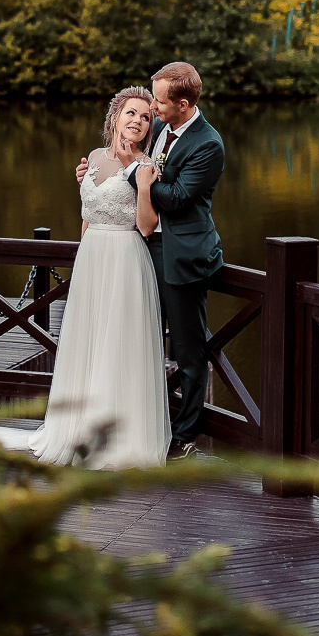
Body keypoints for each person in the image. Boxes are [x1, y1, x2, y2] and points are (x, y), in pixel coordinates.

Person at [0, 87, 171, 468]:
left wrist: (144, 188)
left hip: (126, 259)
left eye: (146, 118)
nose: (139, 122)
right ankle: (77, 429)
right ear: (115, 118)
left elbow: (146, 227)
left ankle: (119, 437)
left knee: (118, 346)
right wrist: (82, 260)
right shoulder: (94, 158)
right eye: (132, 113)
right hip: (92, 257)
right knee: (88, 341)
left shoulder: (146, 166)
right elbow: (87, 213)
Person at [77, 60, 225, 460]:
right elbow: (128, 151)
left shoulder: (208, 144)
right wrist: (97, 173)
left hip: (181, 257)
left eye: (158, 102)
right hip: (139, 252)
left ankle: (185, 435)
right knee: (137, 341)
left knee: (189, 352)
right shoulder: (159, 127)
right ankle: (137, 422)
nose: (151, 109)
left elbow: (175, 199)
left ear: (181, 103)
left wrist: (130, 173)